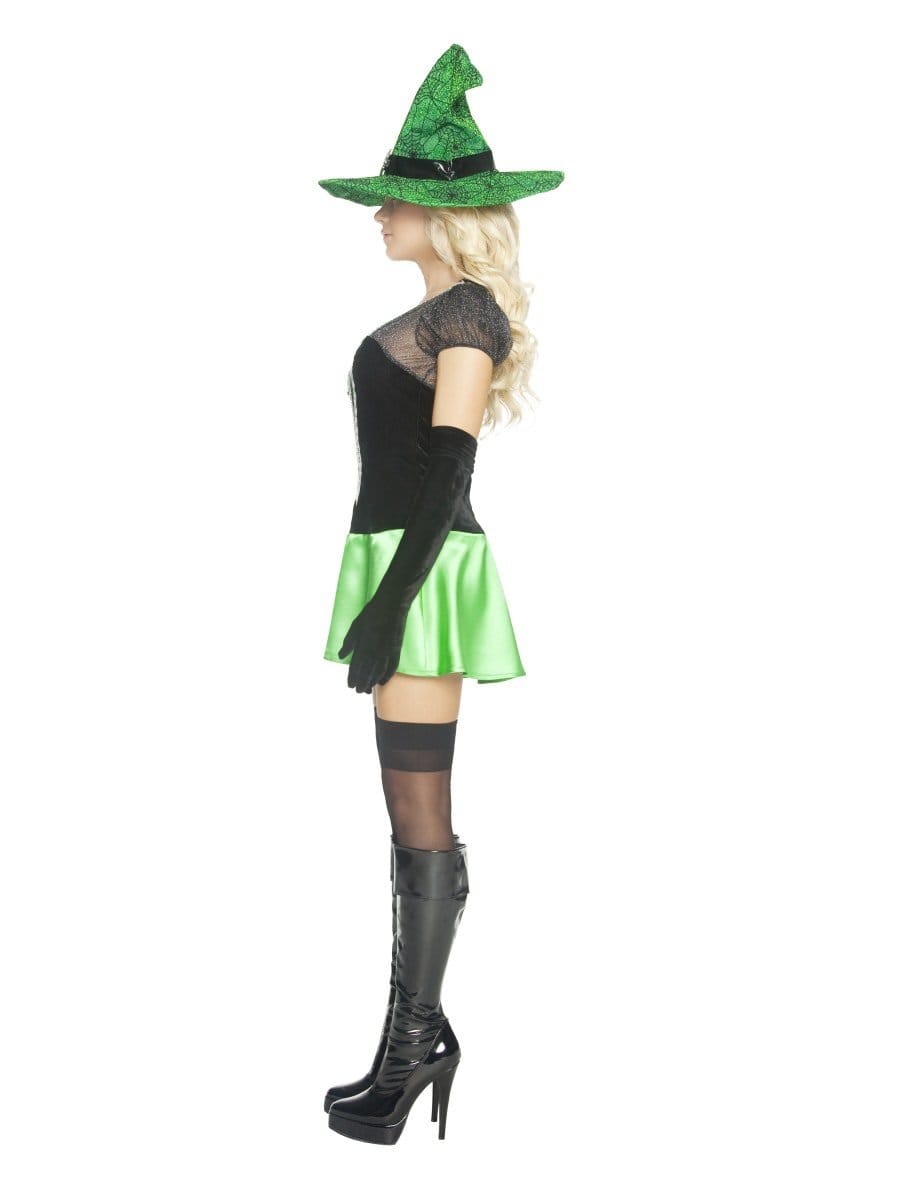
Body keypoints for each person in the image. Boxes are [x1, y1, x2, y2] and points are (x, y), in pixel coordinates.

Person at [317, 43, 564, 1145]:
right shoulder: (440, 314)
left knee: (420, 814)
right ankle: (410, 1045)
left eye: (395, 202)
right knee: (405, 813)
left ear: (441, 213)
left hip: (424, 571)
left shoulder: (466, 318)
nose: (380, 216)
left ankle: (412, 1049)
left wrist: (391, 604)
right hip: (398, 563)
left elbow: (451, 470)